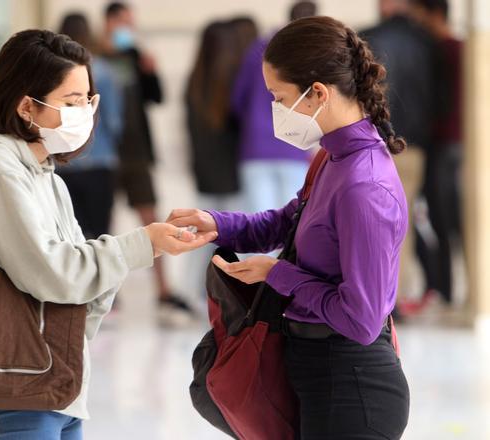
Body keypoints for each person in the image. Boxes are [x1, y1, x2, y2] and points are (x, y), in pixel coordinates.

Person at [0, 30, 217, 439]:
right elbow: (52, 273)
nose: (85, 112)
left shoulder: (47, 176)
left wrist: (145, 246)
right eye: (71, 102)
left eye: (88, 100)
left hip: (51, 380)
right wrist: (142, 243)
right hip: (9, 388)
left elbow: (78, 286)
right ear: (27, 105)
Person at [169, 16, 410, 439]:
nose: (275, 111)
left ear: (317, 92)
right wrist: (218, 224)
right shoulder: (332, 158)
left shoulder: (364, 184)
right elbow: (289, 222)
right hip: (316, 371)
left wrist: (276, 273)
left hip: (352, 388)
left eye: (279, 98)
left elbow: (362, 318)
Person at [102, 2, 196, 322]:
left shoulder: (134, 57)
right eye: (122, 23)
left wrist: (150, 70)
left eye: (131, 23)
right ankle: (105, 292)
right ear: (108, 23)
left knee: (151, 218)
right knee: (102, 224)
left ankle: (163, 292)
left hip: (137, 152)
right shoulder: (93, 58)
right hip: (104, 154)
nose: (127, 29)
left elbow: (156, 98)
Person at [361, 0, 445, 313]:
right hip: (415, 145)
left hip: (377, 141)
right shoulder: (427, 43)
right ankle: (396, 296)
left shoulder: (368, 38)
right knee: (403, 220)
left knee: (373, 221)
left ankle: (380, 295)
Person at [231, 1, 316, 218]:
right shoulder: (313, 54)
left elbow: (237, 100)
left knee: (256, 223)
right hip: (295, 147)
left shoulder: (260, 48)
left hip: (256, 146)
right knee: (292, 225)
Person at [184, 20, 243, 304]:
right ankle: (227, 296)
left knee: (199, 238)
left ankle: (194, 293)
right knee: (230, 237)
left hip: (205, 171)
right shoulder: (230, 80)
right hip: (231, 171)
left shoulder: (194, 81)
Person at [410, 0, 463, 305]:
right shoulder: (448, 49)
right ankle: (444, 290)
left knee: (445, 221)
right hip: (446, 146)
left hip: (446, 146)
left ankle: (446, 291)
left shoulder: (445, 50)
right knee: (441, 221)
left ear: (434, 14)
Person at [56, 13, 122, 240]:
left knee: (71, 236)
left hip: (63, 161)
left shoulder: (53, 71)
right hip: (99, 160)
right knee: (101, 236)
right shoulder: (102, 69)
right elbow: (114, 121)